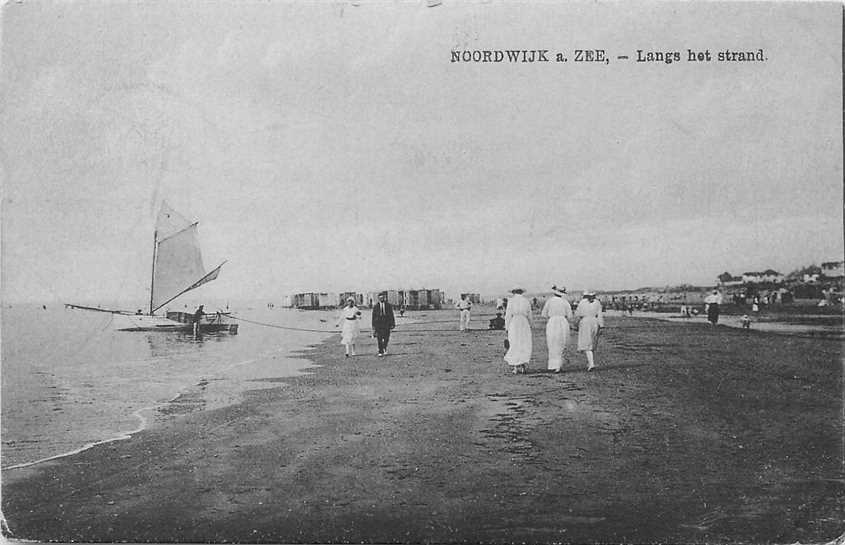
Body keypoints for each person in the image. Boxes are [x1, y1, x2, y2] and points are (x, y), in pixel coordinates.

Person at [540, 285, 573, 373]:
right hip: (562, 322)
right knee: (562, 343)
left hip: (552, 322)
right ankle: (559, 365)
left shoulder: (549, 301)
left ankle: (553, 365)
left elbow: (544, 314)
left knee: (552, 343)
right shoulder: (565, 302)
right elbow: (570, 315)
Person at [504, 287, 533, 374]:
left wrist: (507, 327)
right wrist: (530, 324)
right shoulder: (526, 301)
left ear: (514, 292)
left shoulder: (511, 301)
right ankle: (523, 366)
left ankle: (516, 367)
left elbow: (508, 315)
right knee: (524, 343)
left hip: (515, 322)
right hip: (524, 323)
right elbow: (529, 314)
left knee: (514, 342)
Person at [574, 291, 604, 371]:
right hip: (595, 322)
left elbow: (578, 314)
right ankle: (590, 362)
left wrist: (576, 324)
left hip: (585, 322)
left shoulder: (582, 303)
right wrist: (601, 326)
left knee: (587, 343)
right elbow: (600, 315)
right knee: (592, 342)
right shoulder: (597, 302)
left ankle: (591, 363)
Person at [371, 292, 395, 356]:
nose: (381, 299)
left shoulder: (388, 305)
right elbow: (373, 316)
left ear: (384, 298)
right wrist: (373, 325)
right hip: (378, 324)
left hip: (386, 323)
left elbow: (391, 315)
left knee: (386, 337)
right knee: (379, 338)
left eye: (382, 297)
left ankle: (384, 347)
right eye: (380, 298)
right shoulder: (376, 306)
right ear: (378, 298)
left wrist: (393, 324)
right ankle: (380, 351)